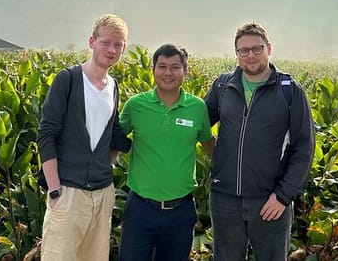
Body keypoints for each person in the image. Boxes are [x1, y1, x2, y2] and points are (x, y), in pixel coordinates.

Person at [204, 22, 315, 261]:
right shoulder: (223, 86)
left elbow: (304, 148)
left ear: (269, 48)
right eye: (244, 50)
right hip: (225, 199)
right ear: (236, 54)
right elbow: (198, 125)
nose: (250, 55)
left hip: (270, 200)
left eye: (257, 48)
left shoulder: (289, 91)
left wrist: (283, 196)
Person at [37, 14, 132, 260]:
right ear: (92, 42)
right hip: (68, 192)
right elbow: (46, 134)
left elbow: (111, 136)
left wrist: (105, 169)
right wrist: (55, 189)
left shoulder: (113, 86)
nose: (111, 50)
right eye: (106, 42)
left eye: (118, 44)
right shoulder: (67, 79)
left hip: (102, 193)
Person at [119, 43, 215, 261]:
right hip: (140, 209)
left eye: (175, 67)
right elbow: (113, 139)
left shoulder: (197, 107)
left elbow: (209, 144)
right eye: (162, 66)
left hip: (181, 211)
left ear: (185, 72)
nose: (168, 73)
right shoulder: (135, 105)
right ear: (152, 70)